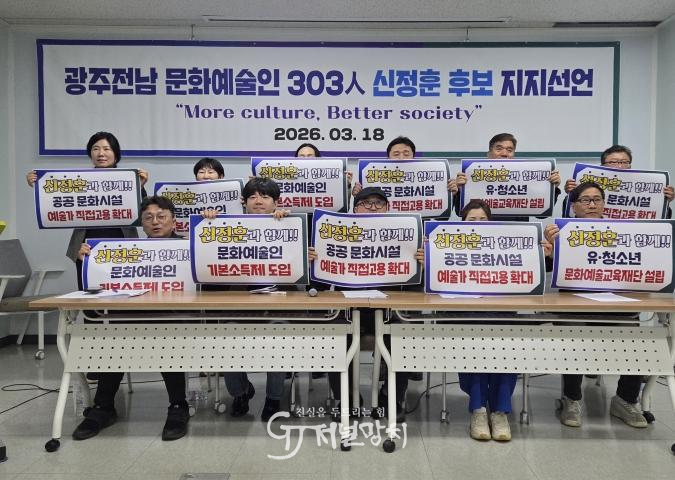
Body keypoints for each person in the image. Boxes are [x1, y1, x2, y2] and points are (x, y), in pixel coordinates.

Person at [71, 195, 190, 441]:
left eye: (161, 217)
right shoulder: (127, 250)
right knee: (115, 338)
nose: (155, 222)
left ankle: (178, 406)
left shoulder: (188, 247)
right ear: (141, 224)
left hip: (176, 316)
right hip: (133, 314)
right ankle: (103, 406)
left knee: (168, 337)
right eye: (148, 218)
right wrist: (86, 260)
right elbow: (98, 283)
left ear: (174, 221)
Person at [310, 186, 424, 422]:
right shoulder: (336, 234)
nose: (372, 208)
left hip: (388, 309)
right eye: (366, 203)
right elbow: (318, 287)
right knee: (335, 336)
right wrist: (312, 262)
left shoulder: (404, 235)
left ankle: (391, 397)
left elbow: (415, 289)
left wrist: (422, 264)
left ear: (387, 208)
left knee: (403, 336)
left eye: (378, 203)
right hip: (347, 309)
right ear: (354, 209)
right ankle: (347, 398)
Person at [544, 182, 648, 429]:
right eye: (585, 200)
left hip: (616, 303)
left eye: (597, 199)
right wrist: (550, 252)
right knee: (572, 334)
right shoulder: (560, 232)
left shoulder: (624, 232)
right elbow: (548, 271)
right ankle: (571, 399)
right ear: (574, 206)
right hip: (574, 303)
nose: (592, 204)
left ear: (604, 204)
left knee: (638, 339)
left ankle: (625, 399)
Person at [26, 131, 149, 289]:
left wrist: (140, 186)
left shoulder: (130, 179)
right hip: (85, 249)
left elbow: (146, 214)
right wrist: (38, 185)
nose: (101, 153)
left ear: (116, 154)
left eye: (107, 149)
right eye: (95, 149)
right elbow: (56, 201)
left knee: (124, 294)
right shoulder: (79, 180)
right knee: (88, 296)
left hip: (123, 247)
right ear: (90, 154)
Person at [222, 177, 289, 421]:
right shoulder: (228, 227)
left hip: (279, 306)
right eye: (252, 197)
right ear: (244, 202)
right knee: (226, 332)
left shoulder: (289, 225)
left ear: (276, 202)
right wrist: (210, 220)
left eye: (265, 196)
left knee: (279, 333)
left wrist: (288, 224)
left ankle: (273, 397)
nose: (258, 201)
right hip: (239, 305)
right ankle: (240, 392)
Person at [453, 133, 561, 220]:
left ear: (513, 155)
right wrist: (458, 191)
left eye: (509, 150)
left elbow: (542, 215)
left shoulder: (526, 177)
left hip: (516, 235)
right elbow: (460, 212)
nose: (504, 153)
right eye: (499, 149)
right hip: (483, 235)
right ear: (489, 154)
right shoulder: (472, 175)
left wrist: (552, 188)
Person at [562, 145, 674, 218]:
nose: (619, 166)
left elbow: (658, 222)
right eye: (613, 162)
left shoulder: (642, 187)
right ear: (602, 165)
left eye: (624, 162)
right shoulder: (588, 187)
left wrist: (665, 202)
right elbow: (570, 215)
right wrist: (572, 194)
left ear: (630, 165)